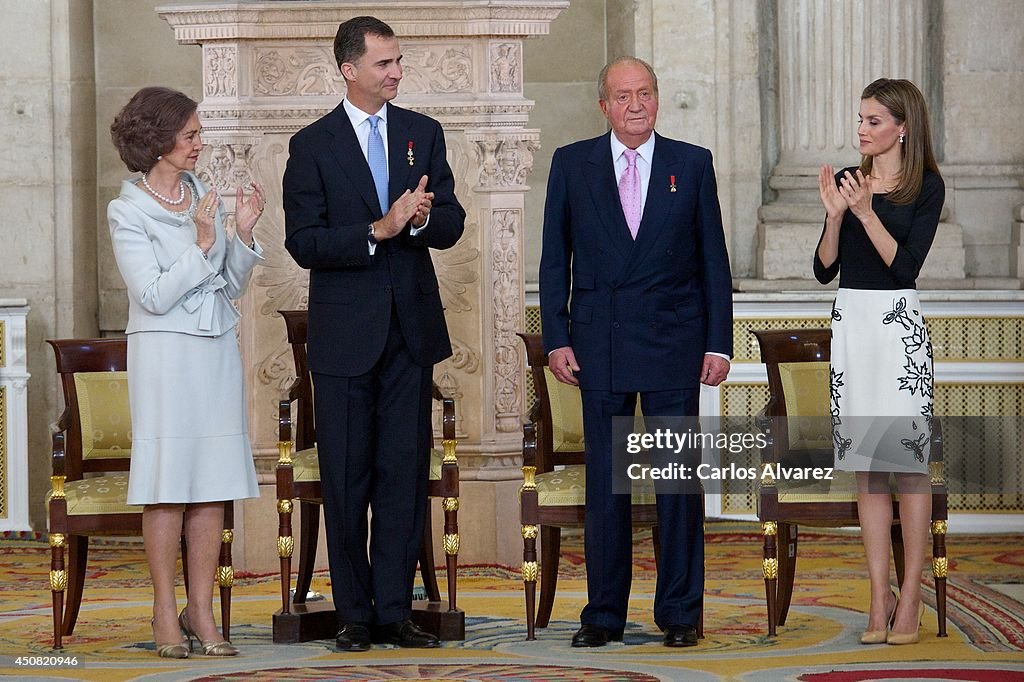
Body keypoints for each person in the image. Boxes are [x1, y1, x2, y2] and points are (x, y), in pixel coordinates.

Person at [282, 16, 465, 652]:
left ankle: (394, 612)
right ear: (349, 69)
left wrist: (419, 220)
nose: (395, 72)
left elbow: (452, 222)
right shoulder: (312, 145)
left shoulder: (423, 133)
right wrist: (377, 230)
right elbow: (303, 243)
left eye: (398, 61)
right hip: (344, 340)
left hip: (410, 334)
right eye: (383, 63)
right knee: (346, 477)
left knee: (402, 476)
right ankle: (353, 615)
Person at [540, 57, 733, 648]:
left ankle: (679, 613)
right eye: (623, 96)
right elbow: (554, 259)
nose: (635, 104)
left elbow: (713, 262)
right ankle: (603, 614)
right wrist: (556, 335)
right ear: (604, 105)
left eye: (644, 93)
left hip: (675, 340)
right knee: (608, 487)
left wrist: (718, 343)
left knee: (676, 485)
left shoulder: (691, 164)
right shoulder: (572, 164)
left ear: (657, 99)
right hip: (600, 343)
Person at [108, 87, 266, 658]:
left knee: (210, 482)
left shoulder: (203, 193)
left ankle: (199, 609)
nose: (200, 144)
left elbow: (229, 284)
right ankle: (162, 611)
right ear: (157, 140)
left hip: (215, 349)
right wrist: (202, 244)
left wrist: (241, 233)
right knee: (168, 482)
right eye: (191, 135)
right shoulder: (127, 209)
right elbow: (151, 295)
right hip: (166, 356)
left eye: (199, 133)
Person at [814, 78, 944, 646]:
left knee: (909, 467)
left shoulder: (927, 187)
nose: (861, 129)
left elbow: (905, 268)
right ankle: (876, 598)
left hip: (897, 328)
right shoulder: (849, 180)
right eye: (860, 119)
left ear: (901, 128)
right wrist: (837, 216)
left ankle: (911, 596)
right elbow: (823, 269)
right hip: (854, 326)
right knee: (869, 468)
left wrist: (867, 214)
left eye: (872, 121)